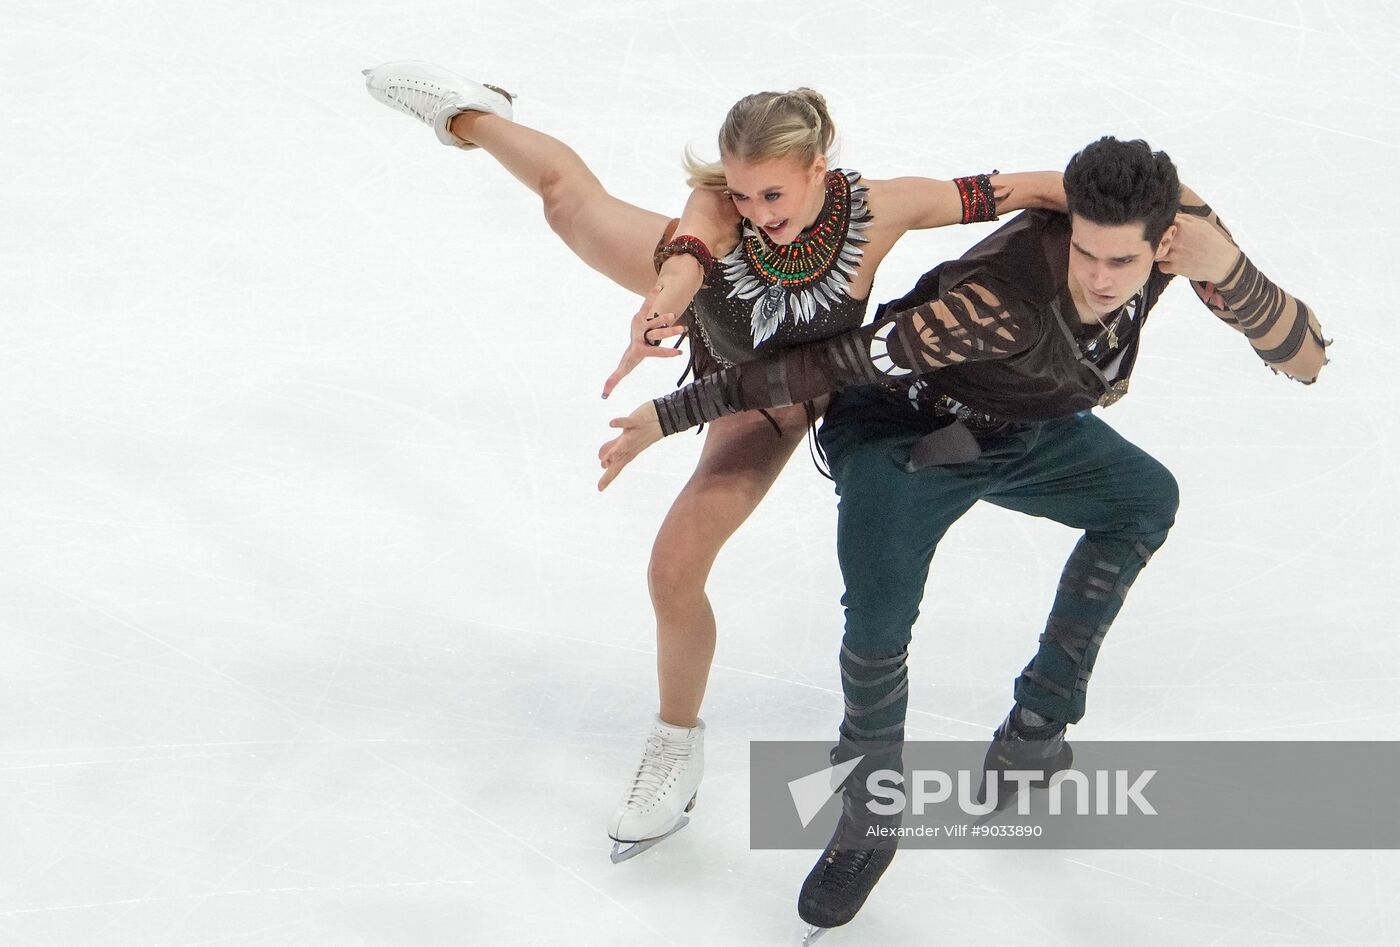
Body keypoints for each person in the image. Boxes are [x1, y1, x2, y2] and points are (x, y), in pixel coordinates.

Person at [597, 136, 1327, 931]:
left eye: (1124, 262)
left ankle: (1036, 726)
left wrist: (1228, 267)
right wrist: (669, 415)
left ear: (1164, 246)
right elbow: (830, 366)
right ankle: (872, 812)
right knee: (879, 619)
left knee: (1143, 500)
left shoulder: (1186, 236)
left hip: (1027, 425)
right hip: (903, 437)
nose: (1100, 277)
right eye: (1086, 252)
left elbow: (1306, 359)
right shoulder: (995, 304)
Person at [361, 62, 1068, 860]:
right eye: (740, 192)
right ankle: (469, 114)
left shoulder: (883, 209)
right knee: (564, 199)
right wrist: (659, 306)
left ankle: (671, 740)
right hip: (711, 321)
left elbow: (1019, 189)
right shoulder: (717, 211)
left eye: (773, 194)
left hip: (771, 398)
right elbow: (687, 260)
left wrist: (1139, 205)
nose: (756, 211)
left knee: (673, 564)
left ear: (818, 168)